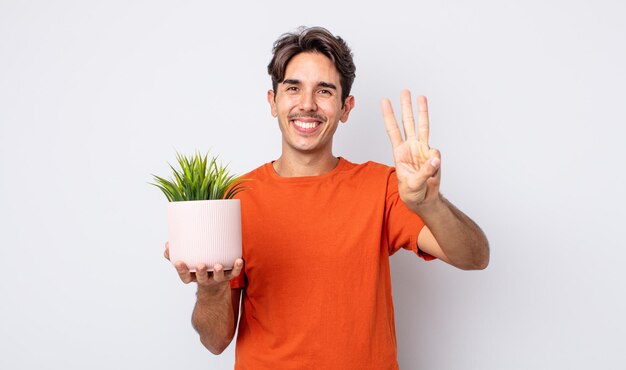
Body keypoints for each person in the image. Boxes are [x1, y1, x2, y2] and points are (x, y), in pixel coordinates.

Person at [164, 26, 489, 369]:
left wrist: (429, 204)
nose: (307, 105)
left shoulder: (382, 186)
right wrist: (212, 291)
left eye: (324, 91)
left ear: (345, 108)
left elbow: (474, 256)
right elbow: (215, 342)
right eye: (293, 88)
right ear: (273, 102)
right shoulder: (234, 199)